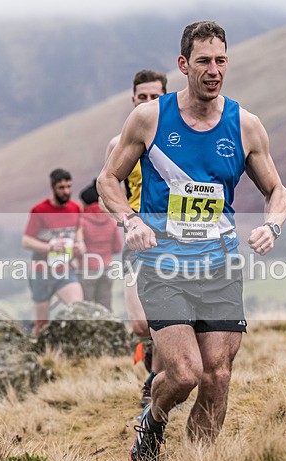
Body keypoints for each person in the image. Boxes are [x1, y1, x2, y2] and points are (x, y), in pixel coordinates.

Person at [97, 21, 286, 461]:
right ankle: (154, 418)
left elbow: (276, 191)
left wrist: (272, 227)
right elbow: (108, 178)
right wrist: (129, 220)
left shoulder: (245, 125)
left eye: (221, 60)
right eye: (203, 61)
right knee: (184, 374)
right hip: (163, 266)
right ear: (184, 65)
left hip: (219, 268)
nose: (214, 70)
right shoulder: (149, 118)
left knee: (218, 374)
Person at [104, 69, 168, 407]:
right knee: (140, 323)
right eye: (141, 97)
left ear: (166, 97)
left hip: (171, 238)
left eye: (154, 97)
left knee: (162, 317)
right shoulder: (119, 144)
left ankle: (154, 385)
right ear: (132, 101)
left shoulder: (178, 142)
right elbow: (106, 189)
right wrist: (124, 220)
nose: (147, 103)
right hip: (134, 237)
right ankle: (153, 353)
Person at [23, 168, 86, 336]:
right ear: (52, 187)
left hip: (65, 270)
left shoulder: (75, 208)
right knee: (42, 325)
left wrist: (80, 244)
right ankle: (39, 357)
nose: (66, 191)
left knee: (78, 312)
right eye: (61, 187)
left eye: (68, 187)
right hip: (41, 272)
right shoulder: (39, 210)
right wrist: (50, 246)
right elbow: (26, 241)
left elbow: (78, 228)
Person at [78, 180, 122, 311]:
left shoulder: (81, 221)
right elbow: (118, 247)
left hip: (86, 269)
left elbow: (77, 249)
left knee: (86, 309)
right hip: (106, 268)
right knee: (105, 307)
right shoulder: (110, 220)